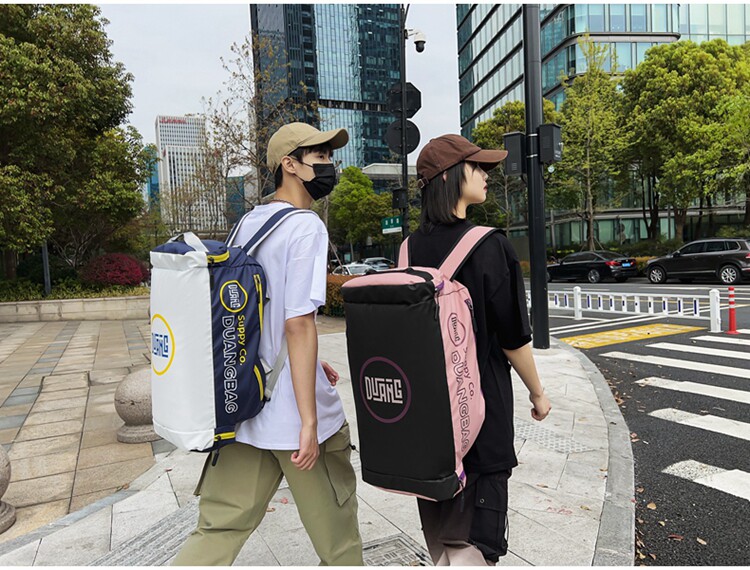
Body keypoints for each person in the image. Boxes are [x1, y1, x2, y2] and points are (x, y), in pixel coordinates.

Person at [173, 123, 363, 566]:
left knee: (218, 530)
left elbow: (252, 313)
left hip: (244, 404)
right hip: (296, 417)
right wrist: (309, 421)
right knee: (339, 544)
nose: (329, 165)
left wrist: (311, 362)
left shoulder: (248, 223)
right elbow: (297, 324)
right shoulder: (306, 226)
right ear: (289, 165)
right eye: (319, 156)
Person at [406, 134, 552, 566]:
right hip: (480, 422)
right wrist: (538, 393)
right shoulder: (490, 246)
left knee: (443, 544)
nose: (486, 175)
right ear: (449, 177)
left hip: (427, 427)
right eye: (477, 167)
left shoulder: (407, 249)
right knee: (475, 549)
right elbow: (513, 337)